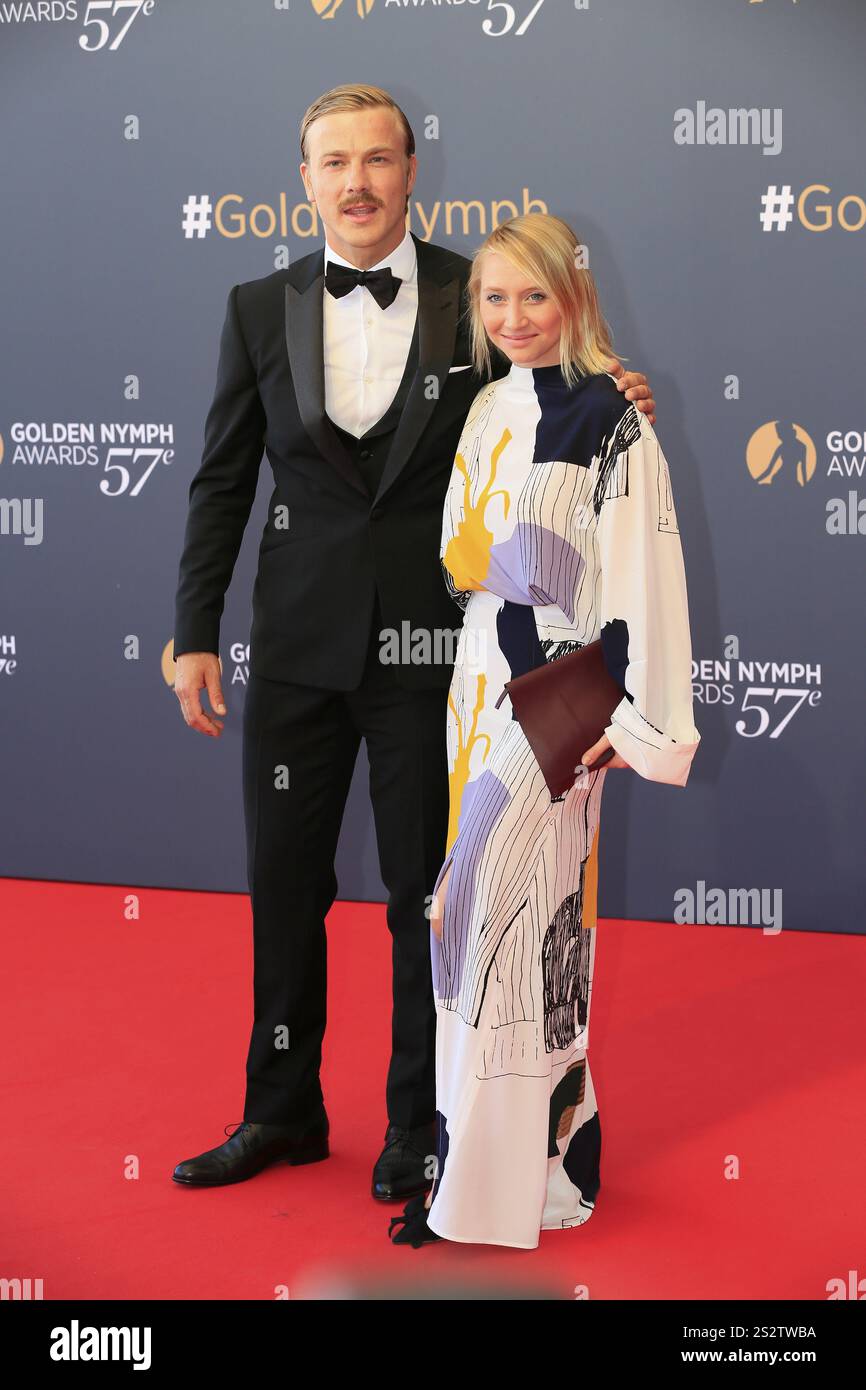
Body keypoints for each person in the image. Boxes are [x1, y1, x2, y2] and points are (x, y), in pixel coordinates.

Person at [170, 86, 657, 1203]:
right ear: (303, 177)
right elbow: (222, 478)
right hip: (292, 647)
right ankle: (280, 1111)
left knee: (420, 898)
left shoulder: (465, 297)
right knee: (282, 887)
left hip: (427, 656)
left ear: (409, 169)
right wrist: (194, 628)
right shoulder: (257, 305)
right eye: (333, 161)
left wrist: (608, 392)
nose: (356, 182)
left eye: (377, 159)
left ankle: (414, 1123)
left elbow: (545, 396)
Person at [387, 213, 700, 1250]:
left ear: (572, 298)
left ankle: (479, 1187)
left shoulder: (614, 416)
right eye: (493, 299)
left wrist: (639, 715)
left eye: (532, 296)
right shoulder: (482, 406)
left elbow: (647, 576)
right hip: (478, 683)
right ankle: (538, 1166)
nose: (513, 318)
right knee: (509, 928)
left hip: (562, 694)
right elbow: (454, 557)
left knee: (493, 914)